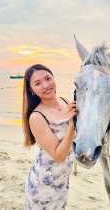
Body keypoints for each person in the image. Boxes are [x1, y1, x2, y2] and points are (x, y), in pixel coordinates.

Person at [22, 64, 76, 210]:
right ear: (31, 90)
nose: (45, 85)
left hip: (62, 182)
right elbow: (58, 156)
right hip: (43, 186)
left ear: (53, 78)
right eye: (37, 83)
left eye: (48, 78)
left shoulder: (65, 102)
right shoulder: (37, 117)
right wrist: (72, 125)